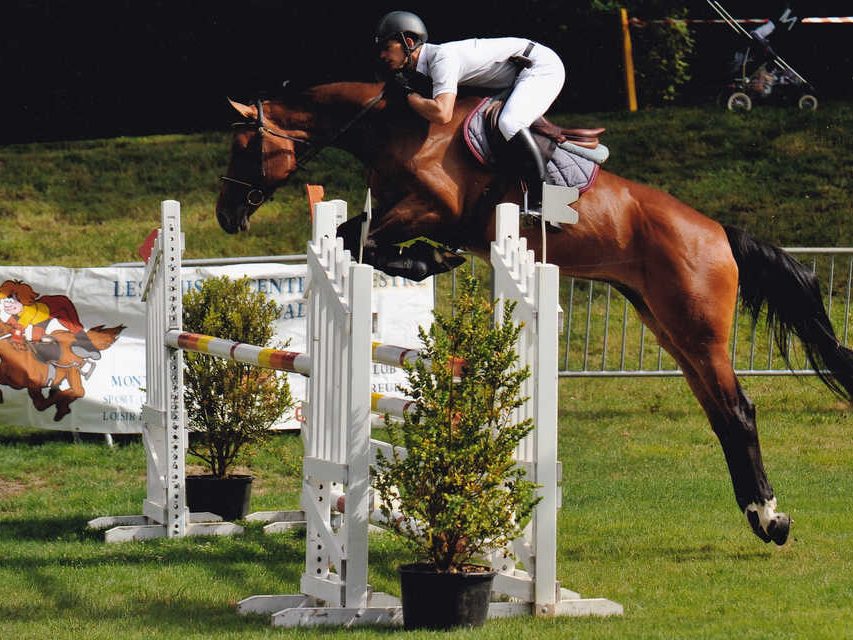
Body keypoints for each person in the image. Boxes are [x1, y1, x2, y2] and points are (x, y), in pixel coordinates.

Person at [375, 10, 565, 213]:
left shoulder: (441, 58)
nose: (382, 55)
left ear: (409, 42)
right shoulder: (425, 64)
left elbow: (442, 113)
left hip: (541, 67)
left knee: (509, 123)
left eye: (387, 48)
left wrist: (409, 97)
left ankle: (544, 198)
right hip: (517, 76)